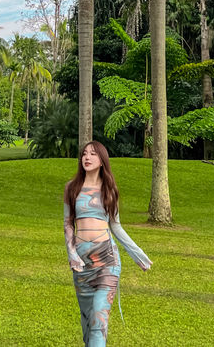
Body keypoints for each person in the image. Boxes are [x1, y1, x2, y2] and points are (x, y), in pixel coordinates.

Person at [63, 140, 152, 346]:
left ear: (102, 161)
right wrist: (72, 254)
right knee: (87, 321)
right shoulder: (72, 188)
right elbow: (68, 224)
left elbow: (116, 226)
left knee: (98, 322)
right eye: (84, 154)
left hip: (107, 260)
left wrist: (137, 254)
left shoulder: (109, 189)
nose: (87, 157)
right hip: (82, 263)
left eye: (93, 154)